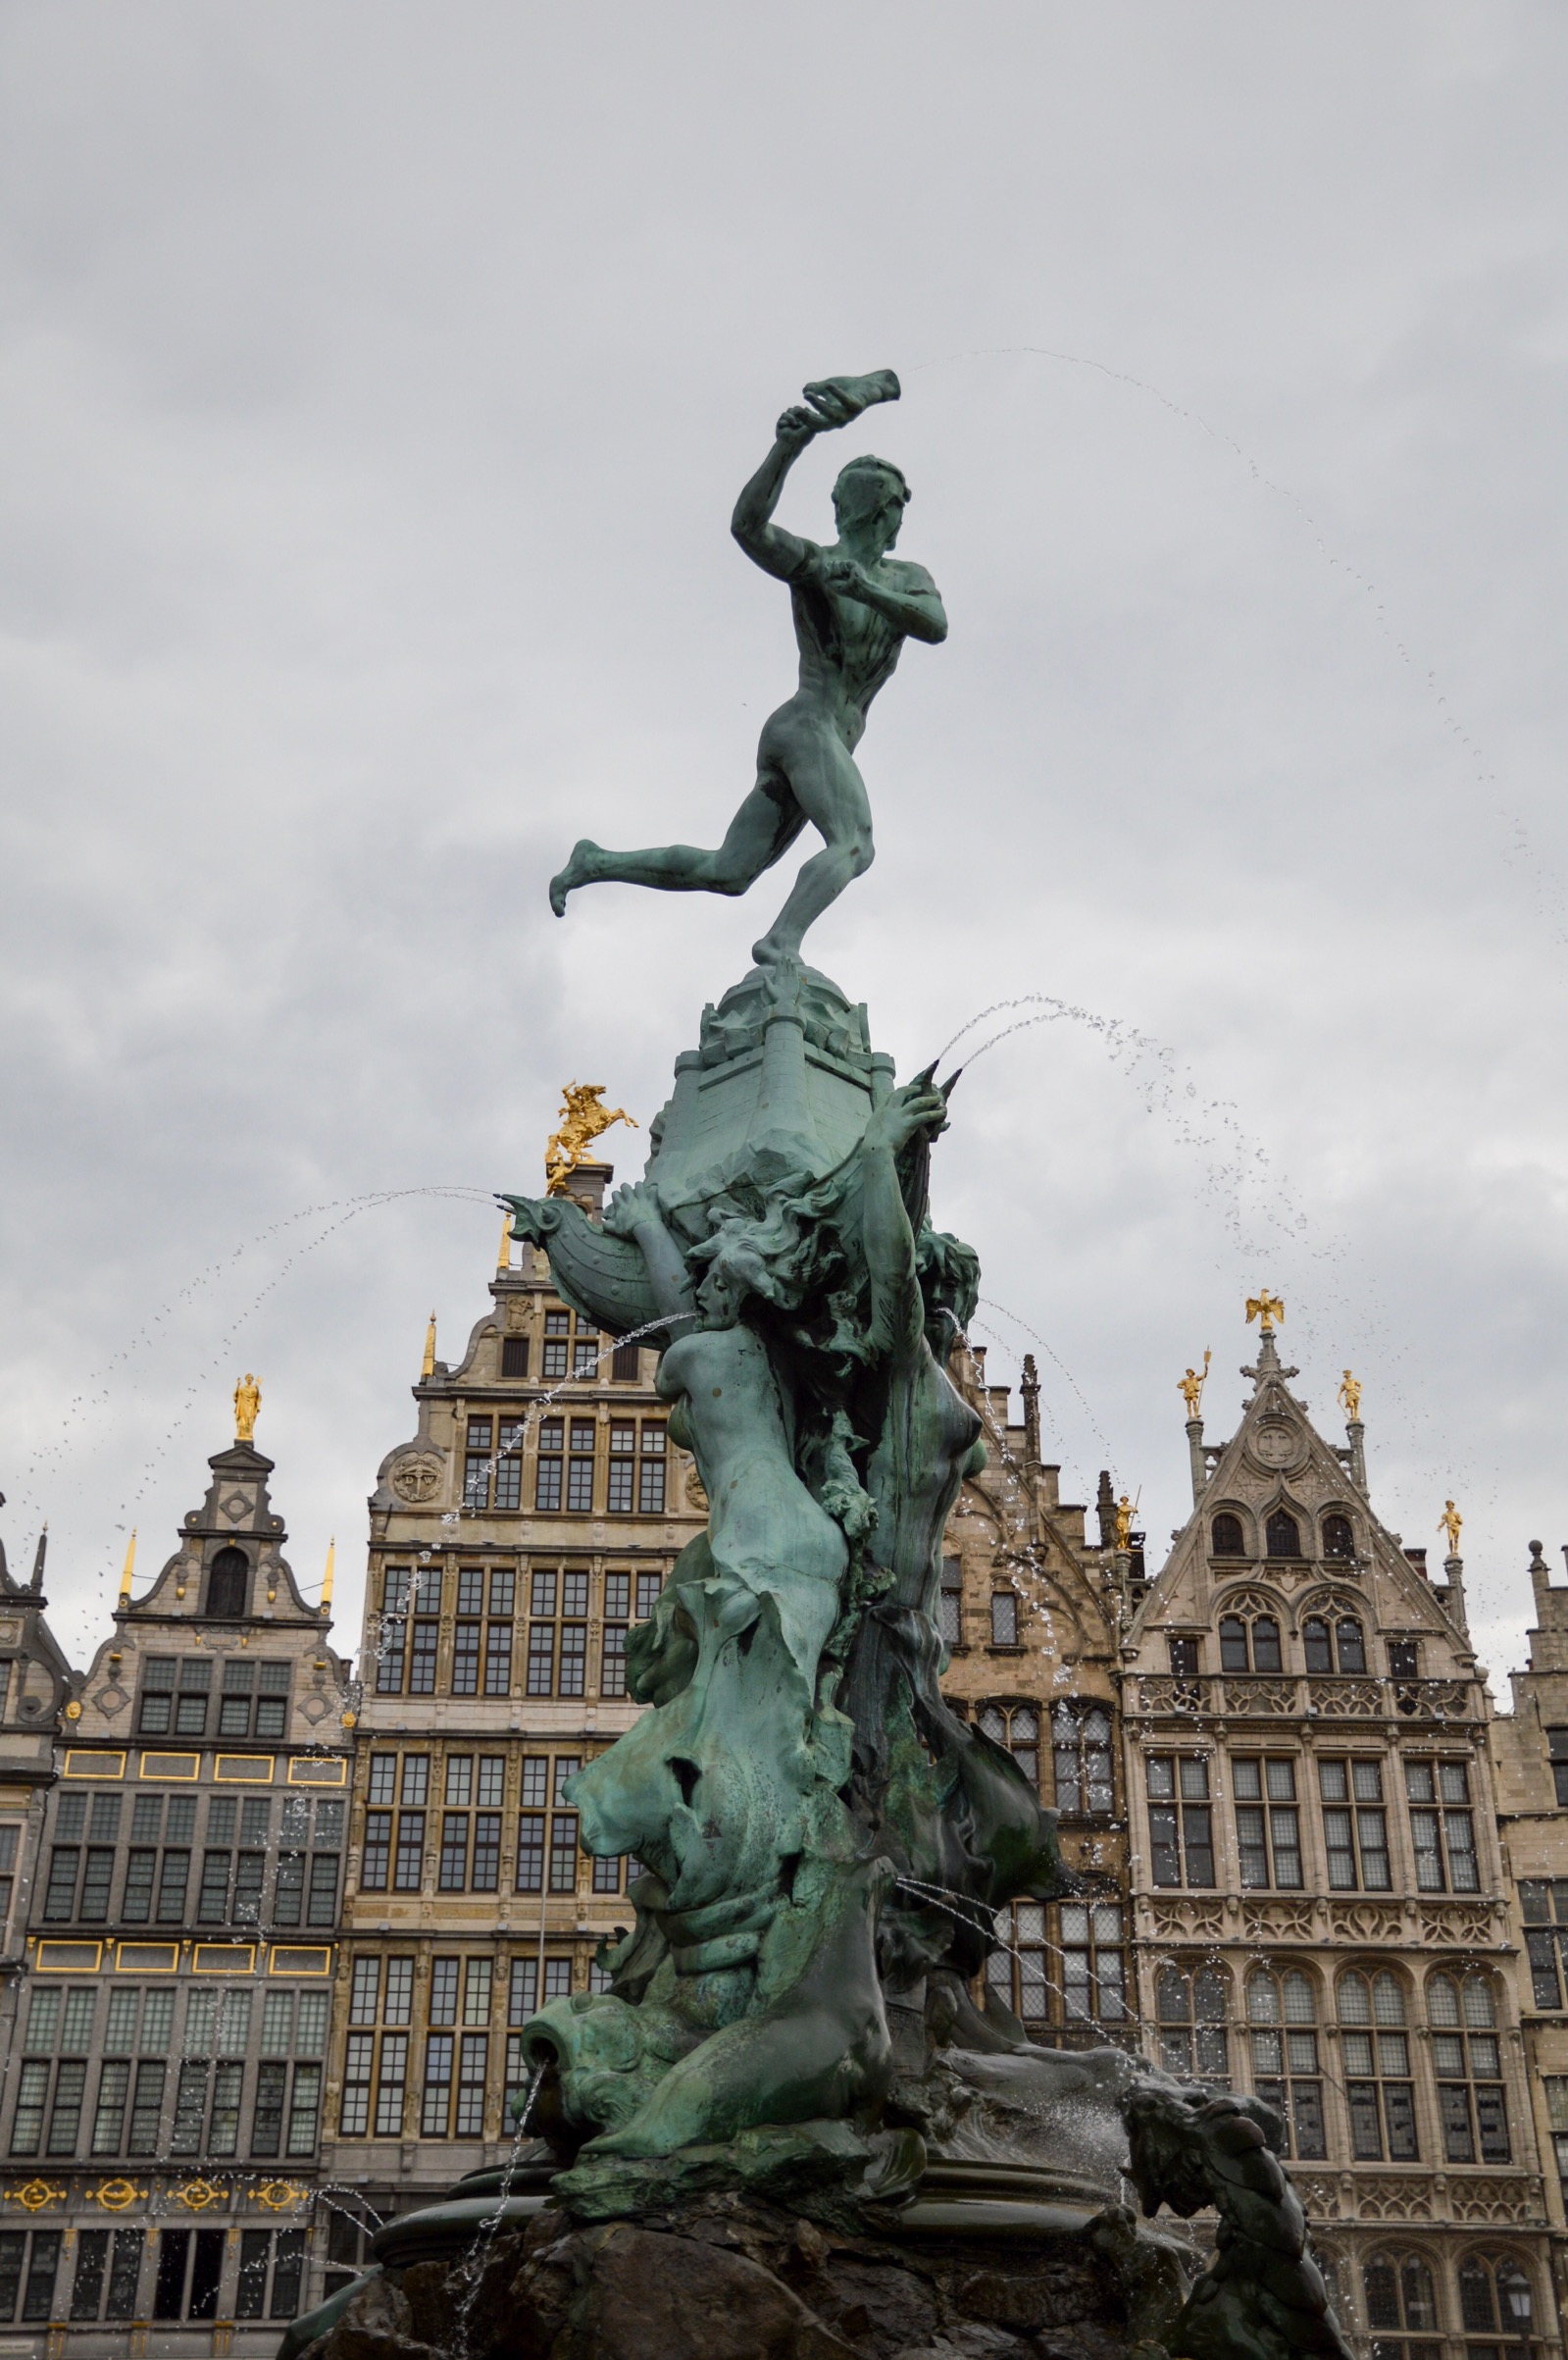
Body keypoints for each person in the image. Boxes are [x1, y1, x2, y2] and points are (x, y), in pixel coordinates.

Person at [549, 377, 947, 967]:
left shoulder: (904, 577)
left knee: (728, 871)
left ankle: (595, 862)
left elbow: (934, 624)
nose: (899, 524)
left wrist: (866, 587)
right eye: (896, 510)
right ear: (882, 510)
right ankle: (781, 941)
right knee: (854, 845)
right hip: (805, 727)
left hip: (818, 738)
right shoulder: (815, 566)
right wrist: (789, 448)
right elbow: (748, 529)